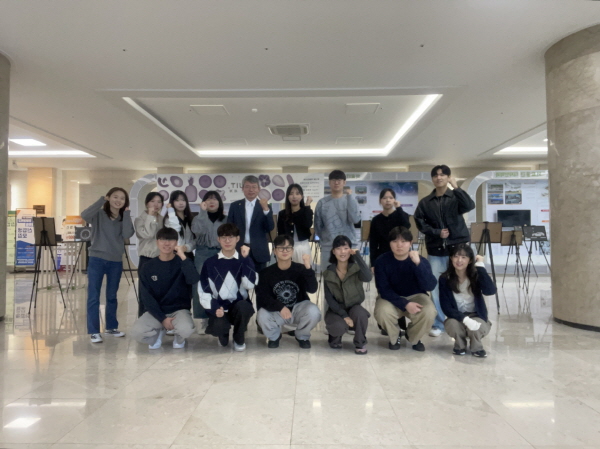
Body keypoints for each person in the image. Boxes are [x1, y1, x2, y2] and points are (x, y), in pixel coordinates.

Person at [414, 165, 475, 337]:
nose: (439, 177)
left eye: (442, 175)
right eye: (435, 175)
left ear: (448, 177)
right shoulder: (426, 202)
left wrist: (456, 187)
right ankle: (439, 324)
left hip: (457, 249)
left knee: (461, 285)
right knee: (435, 287)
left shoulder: (455, 197)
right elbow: (420, 222)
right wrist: (436, 232)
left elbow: (469, 205)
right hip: (436, 249)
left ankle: (461, 320)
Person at [131, 227, 200, 349]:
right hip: (157, 311)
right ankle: (158, 332)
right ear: (157, 242)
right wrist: (162, 318)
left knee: (186, 330)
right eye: (163, 240)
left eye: (171, 240)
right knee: (136, 332)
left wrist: (183, 256)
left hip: (179, 310)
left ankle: (179, 337)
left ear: (176, 243)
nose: (167, 243)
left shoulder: (183, 262)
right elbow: (146, 297)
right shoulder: (148, 267)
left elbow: (193, 279)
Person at [80, 187, 134, 343]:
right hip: (96, 259)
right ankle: (94, 331)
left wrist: (127, 214)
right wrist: (101, 200)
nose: (118, 200)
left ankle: (111, 327)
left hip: (115, 261)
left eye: (122, 198)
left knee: (112, 296)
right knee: (94, 296)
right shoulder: (99, 214)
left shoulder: (123, 217)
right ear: (109, 198)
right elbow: (84, 215)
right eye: (115, 197)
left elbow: (127, 234)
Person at [374, 226, 437, 352]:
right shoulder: (382, 261)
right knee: (382, 311)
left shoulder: (421, 261)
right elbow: (383, 289)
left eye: (403, 241)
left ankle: (413, 337)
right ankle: (395, 336)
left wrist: (418, 264)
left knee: (429, 311)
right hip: (391, 297)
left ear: (410, 243)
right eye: (395, 241)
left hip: (417, 296)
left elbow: (430, 286)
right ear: (390, 243)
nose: (399, 245)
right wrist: (405, 304)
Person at [199, 223, 257, 351]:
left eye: (231, 237)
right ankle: (223, 333)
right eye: (223, 237)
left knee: (244, 307)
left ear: (237, 239)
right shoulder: (210, 263)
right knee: (222, 340)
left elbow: (250, 284)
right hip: (219, 307)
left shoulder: (244, 260)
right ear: (218, 239)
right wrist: (214, 308)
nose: (227, 241)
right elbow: (203, 290)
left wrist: (246, 259)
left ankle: (239, 336)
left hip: (239, 307)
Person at [256, 234, 320, 349]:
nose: (285, 251)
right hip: (277, 310)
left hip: (298, 308)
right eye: (281, 248)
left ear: (292, 250)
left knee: (314, 311)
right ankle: (274, 336)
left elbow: (312, 289)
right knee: (262, 315)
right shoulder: (266, 273)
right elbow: (263, 297)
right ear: (275, 251)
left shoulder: (301, 269)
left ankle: (302, 336)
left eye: (288, 248)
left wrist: (308, 268)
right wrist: (280, 307)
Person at [439, 243, 496, 357]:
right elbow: (446, 307)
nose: (459, 260)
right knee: (453, 325)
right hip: (456, 316)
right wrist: (465, 319)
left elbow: (490, 291)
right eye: (456, 256)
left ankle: (477, 347)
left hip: (476, 315)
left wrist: (480, 267)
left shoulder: (476, 275)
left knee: (476, 327)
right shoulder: (445, 278)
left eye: (464, 257)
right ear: (451, 258)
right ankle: (459, 346)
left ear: (470, 260)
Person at [323, 235, 372, 354]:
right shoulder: (328, 272)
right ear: (333, 251)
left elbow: (368, 277)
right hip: (336, 310)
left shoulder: (356, 268)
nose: (342, 252)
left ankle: (360, 342)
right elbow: (329, 299)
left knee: (360, 314)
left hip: (354, 306)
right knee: (338, 326)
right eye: (338, 248)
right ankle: (334, 337)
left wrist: (358, 256)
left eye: (345, 248)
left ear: (350, 250)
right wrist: (344, 316)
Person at [191, 191, 227, 334]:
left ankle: (218, 315)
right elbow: (197, 230)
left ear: (220, 202)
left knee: (219, 285)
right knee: (201, 286)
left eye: (215, 199)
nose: (212, 201)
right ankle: (203, 318)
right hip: (202, 253)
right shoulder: (198, 218)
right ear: (203, 202)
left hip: (220, 253)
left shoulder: (225, 219)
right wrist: (202, 213)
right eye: (208, 199)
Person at [314, 170, 360, 273]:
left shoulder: (351, 200)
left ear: (344, 182)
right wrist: (326, 240)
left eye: (339, 180)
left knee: (351, 279)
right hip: (329, 248)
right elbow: (318, 227)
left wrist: (350, 197)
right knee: (329, 278)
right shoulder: (322, 203)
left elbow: (355, 219)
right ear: (329, 182)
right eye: (333, 180)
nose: (336, 182)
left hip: (349, 247)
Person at [227, 175, 274, 272]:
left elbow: (270, 227)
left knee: (260, 279)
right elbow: (229, 228)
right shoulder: (235, 206)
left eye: (254, 187)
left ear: (259, 189)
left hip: (259, 250)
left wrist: (266, 210)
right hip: (239, 248)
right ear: (242, 189)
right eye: (247, 187)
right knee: (239, 278)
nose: (251, 190)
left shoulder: (265, 206)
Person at [134, 192, 164, 317]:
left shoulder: (163, 219)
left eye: (159, 202)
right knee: (145, 292)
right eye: (153, 201)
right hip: (146, 259)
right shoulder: (139, 220)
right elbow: (148, 234)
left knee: (160, 291)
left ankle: (160, 319)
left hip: (161, 259)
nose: (156, 204)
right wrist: (151, 217)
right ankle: (143, 318)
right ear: (147, 203)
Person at [369, 188, 411, 270]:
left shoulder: (401, 215)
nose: (388, 200)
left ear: (394, 200)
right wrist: (373, 263)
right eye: (384, 198)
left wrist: (398, 208)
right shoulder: (376, 220)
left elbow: (407, 226)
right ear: (380, 201)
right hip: (382, 255)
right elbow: (373, 243)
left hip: (400, 254)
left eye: (391, 198)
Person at [277, 183, 314, 264]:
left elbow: (308, 224)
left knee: (304, 270)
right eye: (291, 194)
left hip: (303, 247)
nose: (294, 196)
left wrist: (307, 205)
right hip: (287, 248)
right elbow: (280, 234)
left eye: (297, 193)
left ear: (302, 196)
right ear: (287, 196)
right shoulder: (282, 214)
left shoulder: (306, 211)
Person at [164, 190, 196, 260]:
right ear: (172, 202)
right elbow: (175, 229)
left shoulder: (190, 219)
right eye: (177, 200)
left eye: (183, 200)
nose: (181, 203)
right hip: (174, 255)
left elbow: (195, 240)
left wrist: (186, 247)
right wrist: (171, 211)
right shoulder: (169, 219)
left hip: (189, 255)